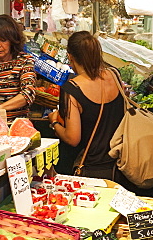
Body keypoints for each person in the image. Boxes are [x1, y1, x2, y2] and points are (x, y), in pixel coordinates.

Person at [49, 32, 144, 192]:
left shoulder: (72, 89)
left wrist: (54, 122)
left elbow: (73, 138)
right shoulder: (114, 74)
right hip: (122, 164)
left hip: (94, 171)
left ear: (70, 56)